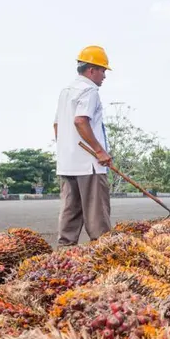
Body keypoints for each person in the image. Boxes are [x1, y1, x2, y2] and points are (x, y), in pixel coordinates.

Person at [53, 45, 114, 246]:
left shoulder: (66, 91)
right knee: (97, 216)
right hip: (89, 165)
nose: (104, 75)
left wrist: (65, 148)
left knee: (70, 213)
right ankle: (103, 255)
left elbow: (57, 125)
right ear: (92, 70)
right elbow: (81, 120)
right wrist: (99, 150)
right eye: (103, 70)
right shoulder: (89, 90)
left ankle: (65, 254)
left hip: (67, 163)